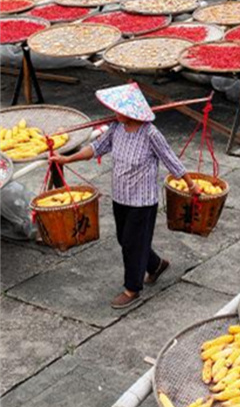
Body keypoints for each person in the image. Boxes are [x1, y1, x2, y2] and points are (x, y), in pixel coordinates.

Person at [51, 83, 199, 309]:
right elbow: (96, 148)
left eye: (118, 109)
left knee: (132, 242)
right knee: (125, 239)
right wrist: (67, 159)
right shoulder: (116, 129)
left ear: (131, 112)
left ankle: (132, 288)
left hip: (142, 200)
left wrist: (190, 185)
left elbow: (171, 159)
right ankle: (156, 264)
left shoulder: (150, 134)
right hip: (121, 197)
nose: (114, 113)